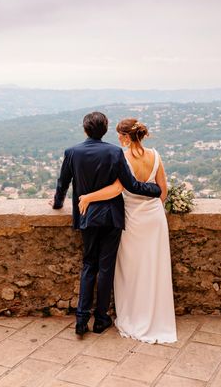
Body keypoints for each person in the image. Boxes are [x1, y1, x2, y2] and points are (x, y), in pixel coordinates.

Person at [51, 112, 162, 337]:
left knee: (88, 266)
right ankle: (101, 319)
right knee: (105, 268)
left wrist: (57, 204)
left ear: (85, 129)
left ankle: (81, 320)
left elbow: (63, 184)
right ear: (105, 128)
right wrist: (155, 189)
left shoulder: (72, 153)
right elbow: (131, 185)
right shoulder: (114, 152)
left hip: (86, 216)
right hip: (111, 217)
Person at [78, 118, 177, 344]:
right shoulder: (155, 155)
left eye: (118, 135)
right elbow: (163, 191)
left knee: (131, 271)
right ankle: (156, 316)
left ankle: (135, 315)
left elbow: (117, 188)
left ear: (124, 137)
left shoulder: (122, 156)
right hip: (154, 218)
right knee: (154, 268)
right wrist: (152, 209)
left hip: (132, 218)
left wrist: (88, 197)